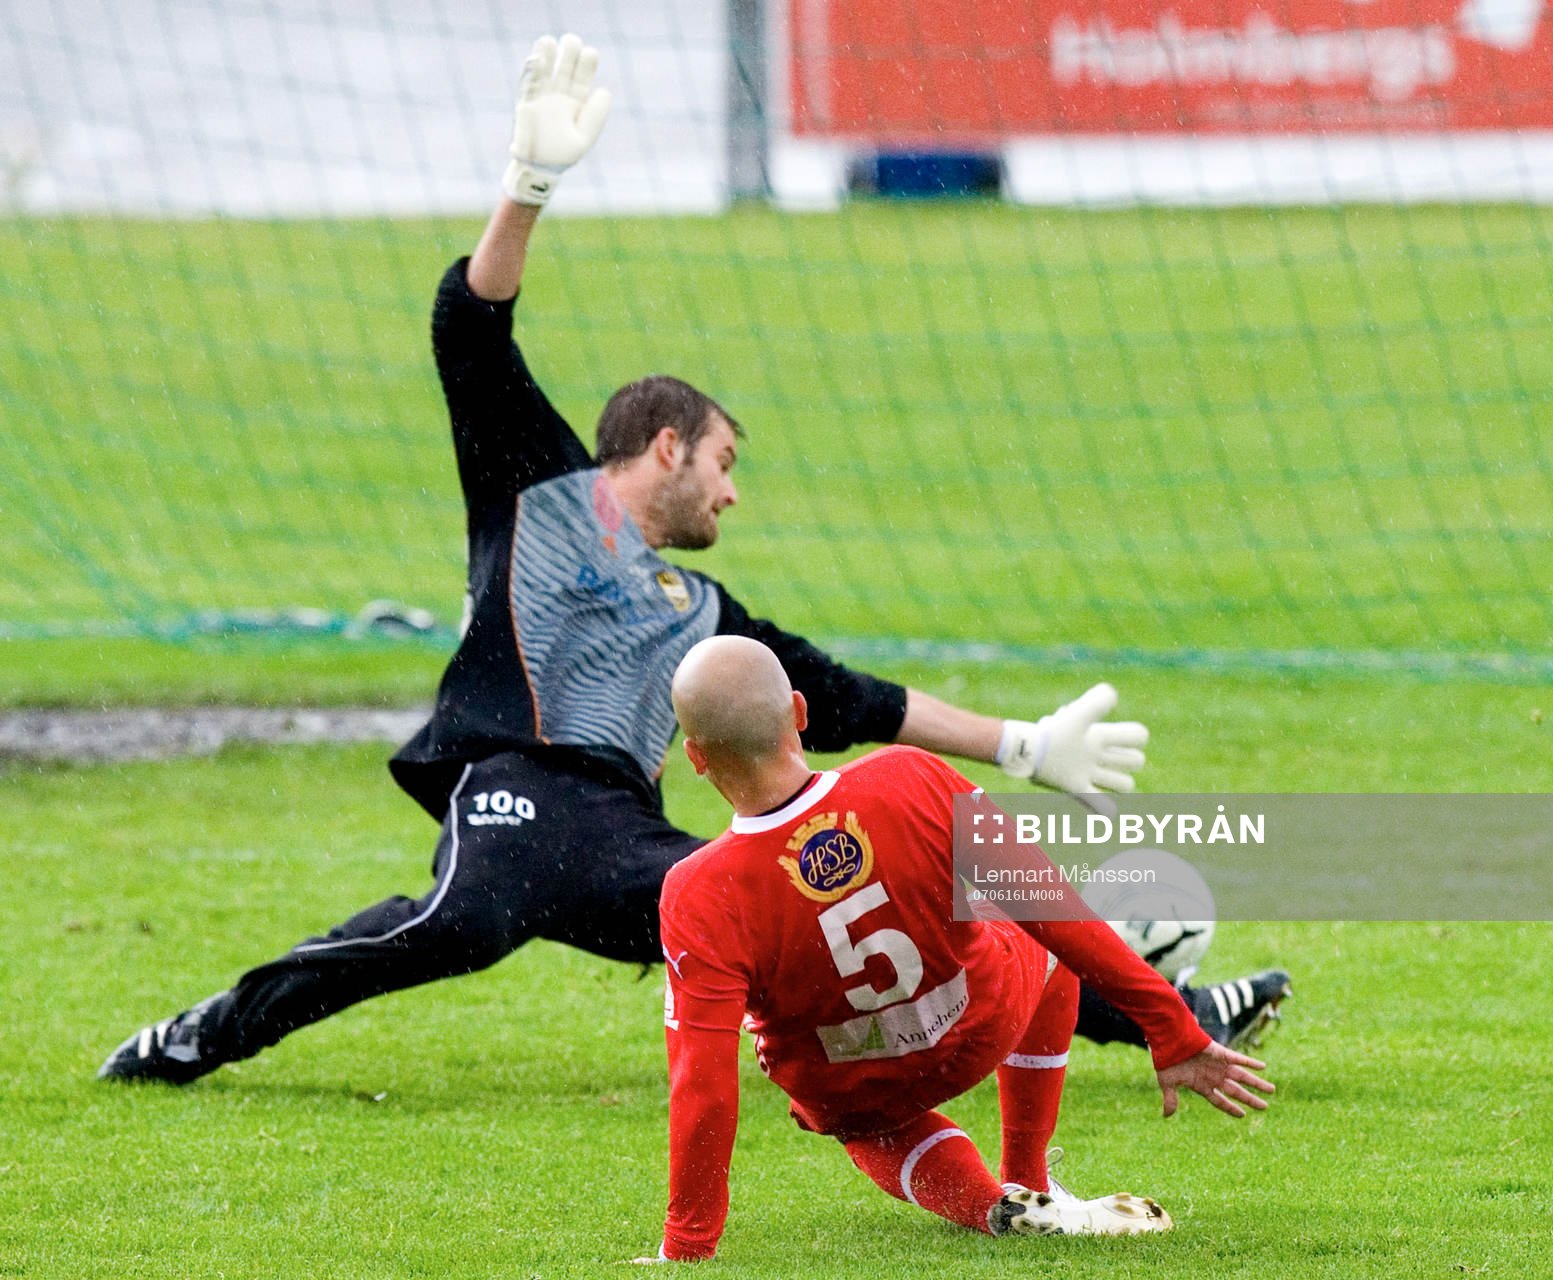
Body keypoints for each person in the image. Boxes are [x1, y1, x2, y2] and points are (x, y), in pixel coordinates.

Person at [97, 33, 1285, 1087]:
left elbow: (854, 699)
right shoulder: (543, 487)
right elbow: (468, 326)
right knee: (427, 933)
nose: (730, 486)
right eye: (722, 458)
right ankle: (202, 1033)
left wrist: (1022, 745)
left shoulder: (705, 612)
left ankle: (1170, 1012)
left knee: (872, 910)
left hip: (628, 841)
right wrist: (528, 184)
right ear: (663, 443)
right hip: (512, 795)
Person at [643, 636, 1274, 1261]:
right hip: (978, 1027)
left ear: (696, 757)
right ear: (801, 714)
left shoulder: (696, 892)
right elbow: (1053, 909)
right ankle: (1025, 1178)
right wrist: (1170, 1027)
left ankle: (987, 1206)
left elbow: (703, 1082)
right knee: (1034, 930)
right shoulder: (908, 774)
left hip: (850, 1083)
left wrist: (688, 1245)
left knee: (869, 1127)